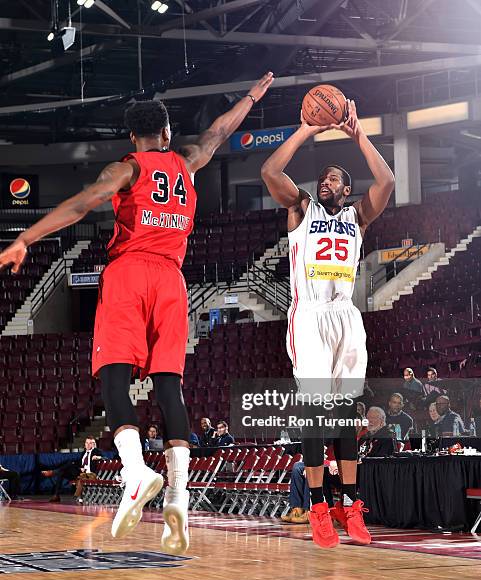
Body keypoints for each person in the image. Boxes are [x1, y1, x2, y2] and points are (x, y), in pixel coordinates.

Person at [0, 72, 273, 552]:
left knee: (113, 377)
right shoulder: (188, 163)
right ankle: (179, 498)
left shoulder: (126, 168)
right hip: (172, 279)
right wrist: (251, 95)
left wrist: (25, 237)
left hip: (129, 272)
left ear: (133, 138)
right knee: (169, 387)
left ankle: (133, 472)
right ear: (167, 133)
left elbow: (81, 204)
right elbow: (219, 133)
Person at [261, 99, 394, 548]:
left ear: (346, 188)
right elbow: (270, 173)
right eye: (322, 178)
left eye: (333, 178)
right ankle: (318, 505)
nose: (324, 181)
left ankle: (350, 505)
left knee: (345, 417)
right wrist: (304, 131)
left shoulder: (357, 217)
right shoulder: (301, 209)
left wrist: (359, 136)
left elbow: (387, 180)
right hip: (311, 316)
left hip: (346, 317)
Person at [41, 437, 103, 503]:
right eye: (86, 443)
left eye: (90, 443)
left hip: (88, 474)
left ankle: (53, 472)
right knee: (62, 472)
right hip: (79, 472)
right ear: (84, 444)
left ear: (93, 444)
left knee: (69, 465)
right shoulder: (83, 453)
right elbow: (79, 464)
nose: (88, 445)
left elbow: (106, 458)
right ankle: (56, 495)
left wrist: (99, 457)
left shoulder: (96, 452)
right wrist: (80, 468)